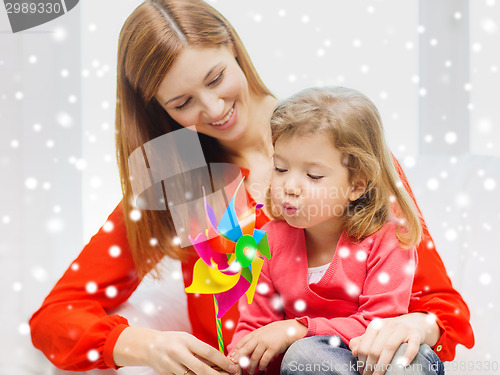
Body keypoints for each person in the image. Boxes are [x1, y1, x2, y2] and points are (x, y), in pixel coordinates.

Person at [29, 0, 474, 374]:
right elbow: (54, 317)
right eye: (182, 103)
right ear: (158, 109)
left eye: (216, 78)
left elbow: (442, 307)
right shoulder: (177, 179)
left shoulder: (339, 147)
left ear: (233, 48)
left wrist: (418, 327)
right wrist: (145, 346)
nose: (214, 108)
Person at [227, 86, 437, 375]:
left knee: (404, 358)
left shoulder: (388, 240)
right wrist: (238, 361)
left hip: (379, 360)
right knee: (302, 357)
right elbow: (255, 326)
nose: (289, 186)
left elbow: (380, 327)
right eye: (280, 168)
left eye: (313, 175)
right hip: (316, 367)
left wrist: (297, 329)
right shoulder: (268, 242)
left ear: (357, 184)